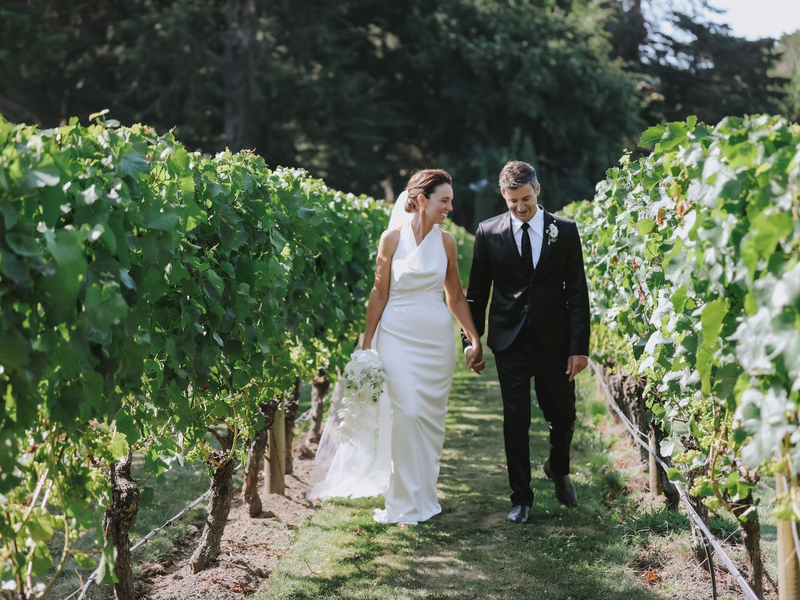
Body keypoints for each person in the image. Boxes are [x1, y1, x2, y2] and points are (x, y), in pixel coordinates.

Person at [307, 169, 483, 526]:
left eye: (450, 201)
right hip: (396, 338)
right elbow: (379, 293)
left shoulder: (446, 242)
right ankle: (402, 504)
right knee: (408, 415)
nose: (450, 207)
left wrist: (473, 338)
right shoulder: (391, 240)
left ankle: (424, 498)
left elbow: (455, 296)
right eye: (444, 201)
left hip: (436, 342)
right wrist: (368, 344)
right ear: (422, 200)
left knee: (430, 423)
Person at [462, 160, 590, 524]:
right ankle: (521, 498)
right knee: (515, 420)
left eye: (526, 199)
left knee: (563, 416)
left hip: (555, 340)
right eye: (513, 200)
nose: (520, 207)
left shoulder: (564, 231)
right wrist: (471, 340)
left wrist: (579, 346)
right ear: (503, 195)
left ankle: (558, 467)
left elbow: (577, 292)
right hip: (510, 340)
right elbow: (477, 294)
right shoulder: (488, 232)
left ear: (538, 190)